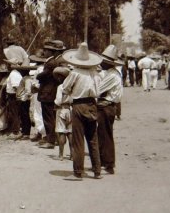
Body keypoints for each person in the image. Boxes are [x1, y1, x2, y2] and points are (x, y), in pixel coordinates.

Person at [60, 42, 103, 180]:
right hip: (92, 105)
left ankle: (78, 170)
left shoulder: (75, 73)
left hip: (78, 105)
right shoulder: (96, 74)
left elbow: (65, 88)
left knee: (78, 139)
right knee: (93, 139)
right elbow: (100, 91)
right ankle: (97, 170)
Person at [97, 45, 124, 175]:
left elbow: (99, 90)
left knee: (105, 135)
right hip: (108, 105)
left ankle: (108, 163)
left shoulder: (111, 75)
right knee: (103, 134)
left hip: (107, 105)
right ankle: (105, 161)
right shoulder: (112, 73)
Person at [35, 39, 66, 148]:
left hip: (47, 93)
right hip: (50, 92)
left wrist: (37, 76)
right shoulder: (52, 61)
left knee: (48, 117)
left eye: (46, 50)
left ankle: (50, 140)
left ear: (51, 51)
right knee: (50, 117)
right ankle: (52, 138)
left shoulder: (51, 63)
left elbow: (45, 75)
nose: (44, 51)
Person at [53, 67, 72, 161]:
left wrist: (55, 103)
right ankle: (72, 154)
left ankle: (61, 155)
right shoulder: (73, 86)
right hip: (71, 109)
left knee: (61, 132)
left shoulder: (61, 87)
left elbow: (58, 101)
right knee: (70, 132)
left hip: (62, 109)